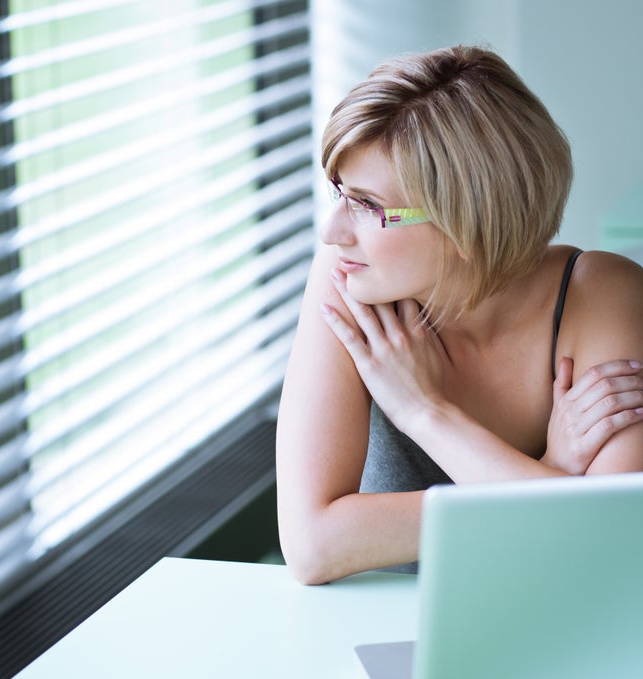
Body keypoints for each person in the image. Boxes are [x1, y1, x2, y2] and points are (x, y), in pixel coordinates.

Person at [276, 45, 643, 585]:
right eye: (339, 192)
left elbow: (609, 548)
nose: (332, 231)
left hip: (557, 632)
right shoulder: (347, 279)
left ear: (464, 221)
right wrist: (549, 479)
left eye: (366, 205)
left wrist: (428, 412)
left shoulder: (603, 295)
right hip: (382, 634)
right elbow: (312, 547)